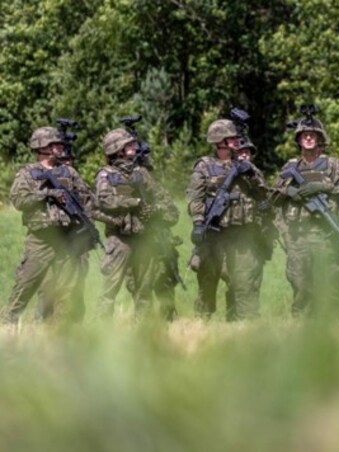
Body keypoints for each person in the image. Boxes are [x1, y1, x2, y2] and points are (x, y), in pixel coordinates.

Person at [3, 126, 95, 323]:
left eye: (60, 144)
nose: (60, 147)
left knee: (66, 288)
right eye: (54, 144)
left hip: (67, 238)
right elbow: (18, 200)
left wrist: (86, 225)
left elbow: (87, 199)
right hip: (41, 239)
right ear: (41, 147)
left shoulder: (68, 172)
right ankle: (6, 325)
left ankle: (58, 332)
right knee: (25, 284)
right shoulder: (28, 173)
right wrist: (46, 195)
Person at [273, 111, 339, 315]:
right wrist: (290, 191)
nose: (309, 138)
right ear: (299, 140)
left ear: (320, 138)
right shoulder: (290, 167)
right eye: (305, 135)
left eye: (313, 134)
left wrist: (323, 187)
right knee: (301, 286)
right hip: (298, 235)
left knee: (331, 285)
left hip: (325, 234)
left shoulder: (333, 165)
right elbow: (273, 197)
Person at [187, 118, 271, 320]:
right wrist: (198, 223)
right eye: (232, 138)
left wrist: (250, 174)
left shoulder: (246, 167)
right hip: (213, 236)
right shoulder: (204, 167)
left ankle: (246, 329)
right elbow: (194, 198)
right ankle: (199, 328)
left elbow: (264, 196)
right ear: (219, 142)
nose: (237, 141)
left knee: (244, 283)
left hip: (242, 236)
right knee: (207, 283)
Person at [94, 128, 181, 320]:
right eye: (129, 145)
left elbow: (160, 196)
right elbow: (104, 201)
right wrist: (136, 203)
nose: (134, 147)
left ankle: (142, 329)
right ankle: (100, 328)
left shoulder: (140, 173)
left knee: (144, 289)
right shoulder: (105, 175)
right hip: (120, 240)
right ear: (117, 149)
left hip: (144, 238)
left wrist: (157, 210)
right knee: (111, 287)